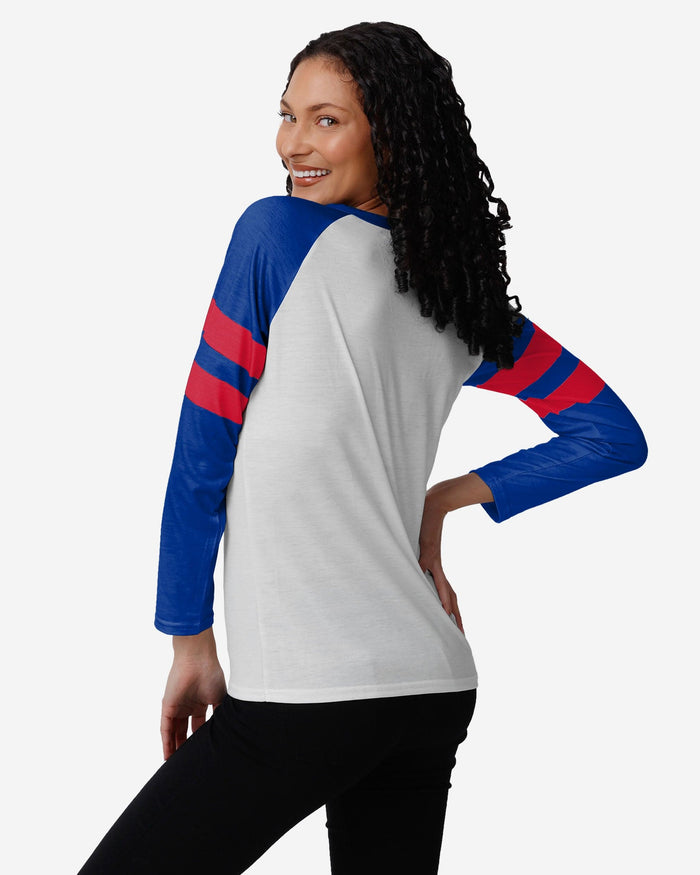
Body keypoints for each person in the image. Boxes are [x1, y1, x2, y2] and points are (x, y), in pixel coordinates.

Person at [77, 20, 647, 875]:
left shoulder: (275, 235)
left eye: (327, 120)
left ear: (394, 133)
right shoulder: (461, 298)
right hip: (431, 687)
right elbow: (609, 432)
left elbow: (202, 453)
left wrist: (188, 637)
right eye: (287, 115)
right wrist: (447, 498)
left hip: (308, 690)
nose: (293, 144)